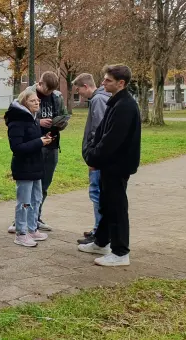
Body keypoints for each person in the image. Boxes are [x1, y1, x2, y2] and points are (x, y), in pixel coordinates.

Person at [79, 65, 141, 267]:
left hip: (117, 165)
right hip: (109, 165)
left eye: (108, 80)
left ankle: (121, 252)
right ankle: (101, 242)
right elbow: (100, 133)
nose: (103, 83)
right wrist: (93, 154)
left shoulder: (125, 106)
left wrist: (94, 158)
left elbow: (111, 140)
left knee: (117, 207)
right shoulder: (115, 102)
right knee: (106, 204)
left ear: (121, 83)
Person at [8, 72, 67, 233]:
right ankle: (20, 223)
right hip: (33, 148)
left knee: (41, 188)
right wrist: (38, 122)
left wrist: (59, 123)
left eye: (51, 92)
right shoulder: (27, 96)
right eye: (46, 91)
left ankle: (35, 219)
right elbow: (18, 141)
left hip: (50, 145)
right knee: (26, 193)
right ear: (40, 83)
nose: (45, 96)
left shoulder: (57, 96)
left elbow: (64, 115)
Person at [5, 88, 53, 247]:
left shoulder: (32, 119)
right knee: (24, 202)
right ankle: (21, 233)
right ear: (24, 103)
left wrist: (43, 139)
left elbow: (32, 139)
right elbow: (17, 147)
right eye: (33, 101)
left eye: (38, 101)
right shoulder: (17, 121)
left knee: (36, 199)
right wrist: (39, 142)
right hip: (24, 167)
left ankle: (32, 229)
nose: (37, 103)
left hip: (36, 166)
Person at [72, 73, 111, 245]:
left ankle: (99, 232)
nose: (79, 94)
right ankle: (98, 228)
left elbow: (99, 130)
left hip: (98, 158)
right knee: (98, 194)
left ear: (86, 86)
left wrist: (94, 157)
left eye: (79, 90)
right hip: (100, 156)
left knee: (97, 193)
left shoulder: (98, 100)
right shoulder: (102, 97)